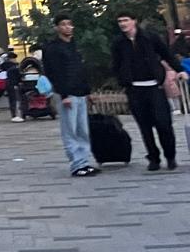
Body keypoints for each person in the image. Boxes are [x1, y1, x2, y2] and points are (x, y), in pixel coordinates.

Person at [111, 11, 184, 172]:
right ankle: (153, 157)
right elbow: (116, 64)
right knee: (144, 127)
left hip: (154, 87)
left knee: (163, 123)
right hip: (135, 88)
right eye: (120, 21)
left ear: (134, 21)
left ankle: (170, 156)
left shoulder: (150, 38)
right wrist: (122, 80)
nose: (123, 24)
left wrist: (180, 70)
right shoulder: (118, 43)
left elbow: (167, 55)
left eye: (126, 20)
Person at [40, 14, 99, 178]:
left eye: (69, 24)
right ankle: (76, 164)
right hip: (67, 94)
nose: (67, 27)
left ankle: (84, 162)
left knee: (82, 130)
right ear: (57, 28)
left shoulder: (74, 46)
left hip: (80, 92)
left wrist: (88, 92)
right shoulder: (53, 48)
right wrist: (63, 94)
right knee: (70, 130)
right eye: (63, 24)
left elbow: (81, 70)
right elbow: (54, 73)